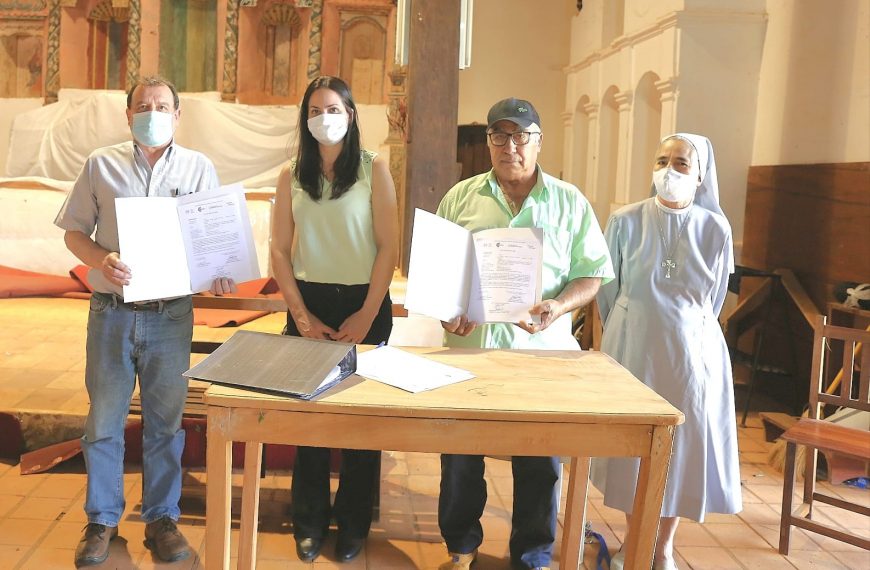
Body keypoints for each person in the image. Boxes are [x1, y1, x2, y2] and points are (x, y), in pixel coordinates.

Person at [54, 76, 237, 568]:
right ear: (127, 112)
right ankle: (102, 520)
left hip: (171, 316)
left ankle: (162, 519)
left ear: (178, 115)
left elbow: (212, 242)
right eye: (143, 105)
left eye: (162, 106)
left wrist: (219, 272)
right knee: (103, 422)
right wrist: (102, 258)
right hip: (112, 312)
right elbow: (74, 232)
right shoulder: (101, 165)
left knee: (165, 425)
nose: (152, 113)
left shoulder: (199, 169)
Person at [435, 98, 614, 570]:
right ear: (488, 141)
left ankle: (532, 553)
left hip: (542, 355)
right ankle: (461, 547)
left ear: (538, 142)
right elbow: (441, 276)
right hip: (471, 351)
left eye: (520, 137)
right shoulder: (460, 198)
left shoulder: (569, 201)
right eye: (499, 136)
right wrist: (450, 313)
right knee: (459, 457)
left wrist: (559, 306)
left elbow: (591, 274)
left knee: (539, 459)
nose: (509, 146)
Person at [594, 133, 742, 570]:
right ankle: (631, 540)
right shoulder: (625, 220)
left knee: (681, 449)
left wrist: (682, 324)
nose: (669, 170)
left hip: (691, 354)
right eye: (662, 160)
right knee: (631, 447)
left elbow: (713, 300)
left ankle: (662, 548)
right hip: (633, 345)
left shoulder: (715, 228)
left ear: (700, 175)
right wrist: (633, 322)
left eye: (681, 163)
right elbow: (608, 289)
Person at [270, 75, 398, 563]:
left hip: (365, 303)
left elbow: (388, 245)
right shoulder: (291, 174)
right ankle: (308, 521)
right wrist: (301, 316)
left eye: (335, 109)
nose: (326, 118)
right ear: (306, 119)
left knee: (362, 425)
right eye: (317, 109)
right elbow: (280, 251)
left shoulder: (373, 168)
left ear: (351, 115)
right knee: (311, 422)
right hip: (310, 303)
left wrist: (367, 314)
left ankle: (353, 524)